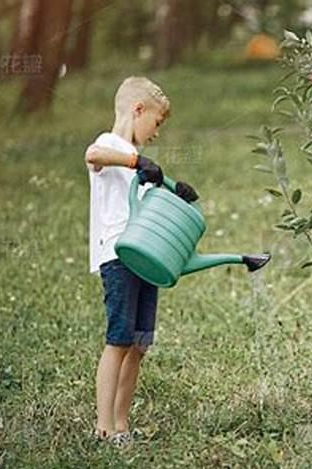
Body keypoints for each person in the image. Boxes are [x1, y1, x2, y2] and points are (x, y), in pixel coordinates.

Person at [84, 76, 199, 444]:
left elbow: (151, 204)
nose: (157, 132)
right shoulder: (110, 144)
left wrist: (175, 192)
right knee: (118, 340)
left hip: (145, 255)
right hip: (118, 256)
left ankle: (121, 425)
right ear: (138, 110)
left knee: (138, 344)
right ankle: (103, 426)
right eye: (157, 122)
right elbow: (94, 156)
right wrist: (137, 160)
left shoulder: (138, 164)